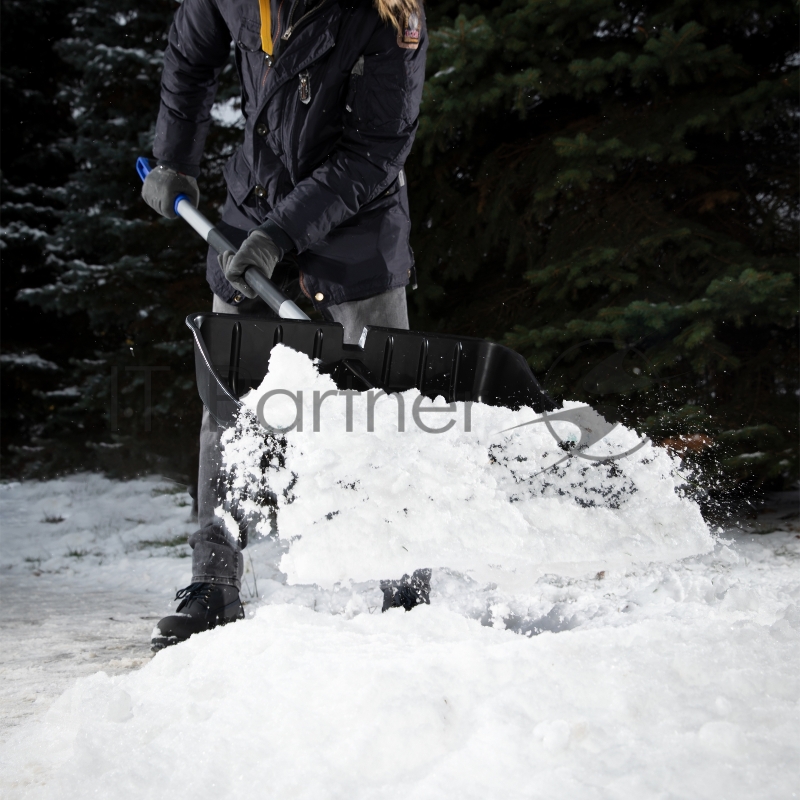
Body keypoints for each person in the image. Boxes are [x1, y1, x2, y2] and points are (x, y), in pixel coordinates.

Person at [142, 0, 428, 649]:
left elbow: (377, 148)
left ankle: (404, 579)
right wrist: (172, 157)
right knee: (228, 402)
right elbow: (190, 56)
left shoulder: (390, 13)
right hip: (255, 200)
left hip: (358, 218)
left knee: (377, 400)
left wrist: (283, 234)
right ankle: (213, 581)